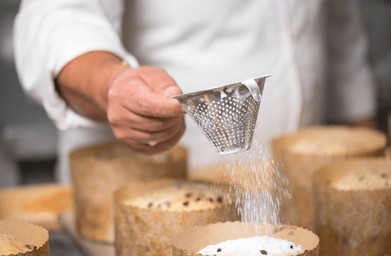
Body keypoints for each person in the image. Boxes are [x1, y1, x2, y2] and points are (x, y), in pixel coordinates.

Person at [13, 0, 376, 182]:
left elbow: (338, 26)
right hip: (145, 192)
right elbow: (60, 16)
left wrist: (366, 145)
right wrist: (113, 81)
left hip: (295, 186)